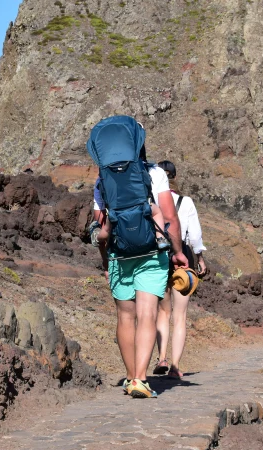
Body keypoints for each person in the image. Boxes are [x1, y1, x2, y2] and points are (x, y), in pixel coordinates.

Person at [86, 118, 189, 399]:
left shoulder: (102, 181)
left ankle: (131, 375)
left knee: (125, 316)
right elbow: (170, 218)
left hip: (120, 254)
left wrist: (106, 263)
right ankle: (141, 380)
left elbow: (100, 227)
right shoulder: (155, 175)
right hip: (152, 254)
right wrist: (178, 252)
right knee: (147, 314)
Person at [153, 161, 208, 379]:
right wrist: (200, 258)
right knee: (180, 315)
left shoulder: (154, 200)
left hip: (159, 255)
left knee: (162, 312)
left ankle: (162, 358)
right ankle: (175, 366)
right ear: (176, 177)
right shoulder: (186, 202)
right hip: (183, 255)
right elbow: (194, 236)